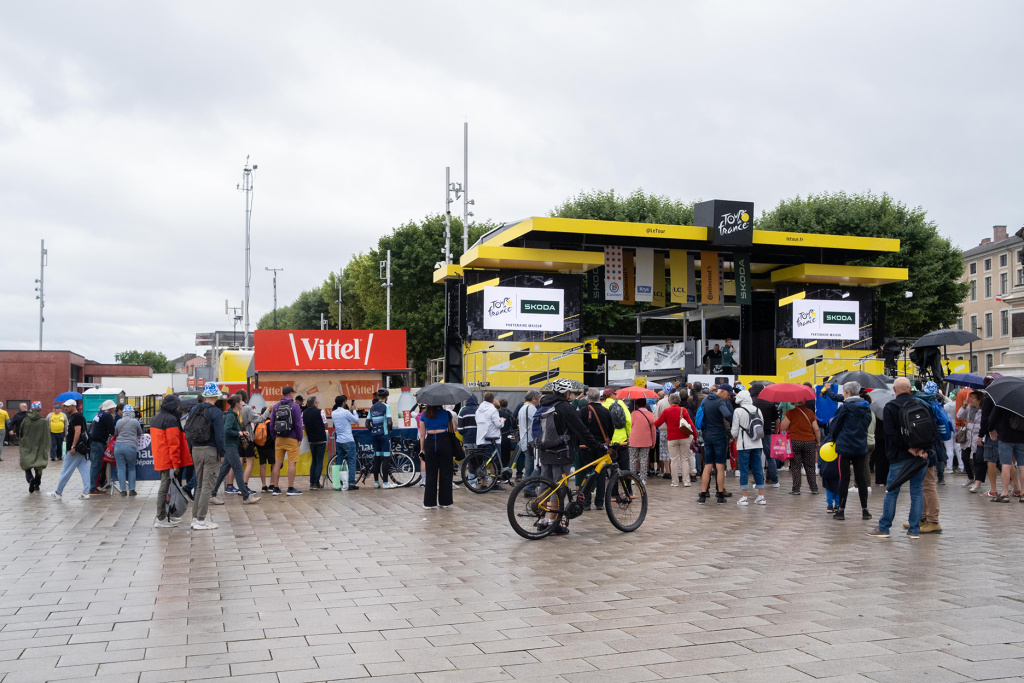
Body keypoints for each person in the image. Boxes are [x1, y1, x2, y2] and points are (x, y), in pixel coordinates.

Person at [536, 379, 607, 535]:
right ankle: (553, 523)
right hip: (561, 452)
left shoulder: (544, 404)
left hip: (545, 451)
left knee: (545, 484)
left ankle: (541, 521)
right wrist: (596, 445)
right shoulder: (565, 407)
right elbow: (581, 429)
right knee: (558, 487)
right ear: (566, 393)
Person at [869, 377, 929, 539]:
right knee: (916, 492)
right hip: (921, 456)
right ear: (910, 389)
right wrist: (922, 449)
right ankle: (914, 530)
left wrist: (909, 449)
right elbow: (930, 430)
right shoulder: (920, 405)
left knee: (892, 491)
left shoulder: (890, 407)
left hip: (899, 456)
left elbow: (890, 433)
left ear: (894, 390)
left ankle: (884, 528)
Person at [828, 381, 873, 521]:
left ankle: (841, 511)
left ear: (848, 393)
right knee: (861, 479)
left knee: (844, 478)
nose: (842, 394)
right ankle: (865, 511)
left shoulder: (845, 408)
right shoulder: (866, 407)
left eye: (843, 392)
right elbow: (866, 425)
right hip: (860, 446)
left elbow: (835, 426)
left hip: (845, 447)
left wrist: (833, 438)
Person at [187, 382, 228, 530]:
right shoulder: (216, 412)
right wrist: (222, 453)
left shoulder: (194, 409)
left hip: (196, 450)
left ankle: (194, 518)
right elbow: (219, 436)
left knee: (199, 485)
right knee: (207, 486)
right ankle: (201, 520)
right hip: (210, 451)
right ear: (217, 395)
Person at [151, 394, 192, 528]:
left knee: (166, 487)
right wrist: (176, 464)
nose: (179, 407)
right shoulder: (171, 420)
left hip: (160, 457)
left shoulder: (157, 417)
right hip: (168, 459)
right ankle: (161, 517)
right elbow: (173, 444)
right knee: (165, 488)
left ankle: (166, 515)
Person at [210, 395, 260, 505]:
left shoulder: (231, 414)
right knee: (238, 470)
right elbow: (226, 430)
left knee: (223, 471)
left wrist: (240, 433)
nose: (242, 403)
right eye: (241, 401)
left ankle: (212, 494)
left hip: (229, 446)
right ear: (237, 404)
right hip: (230, 447)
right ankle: (246, 497)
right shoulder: (231, 416)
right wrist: (239, 433)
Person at [47, 399, 92, 500]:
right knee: (85, 471)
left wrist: (73, 447)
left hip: (75, 450)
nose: (65, 408)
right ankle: (86, 492)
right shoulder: (79, 416)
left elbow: (77, 432)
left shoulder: (76, 417)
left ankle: (58, 493)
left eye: (67, 406)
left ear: (73, 406)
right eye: (65, 406)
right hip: (82, 449)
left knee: (65, 471)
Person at [699, 383, 735, 505]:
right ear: (723, 392)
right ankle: (720, 495)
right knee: (720, 466)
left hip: (707, 435)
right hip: (719, 436)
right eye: (729, 395)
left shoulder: (706, 400)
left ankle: (703, 495)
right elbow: (728, 415)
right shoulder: (720, 402)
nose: (729, 398)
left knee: (707, 465)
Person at [578, 388, 613, 508]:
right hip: (601, 447)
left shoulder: (583, 411)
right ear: (599, 398)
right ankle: (599, 502)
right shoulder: (606, 411)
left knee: (587, 474)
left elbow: (579, 429)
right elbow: (611, 430)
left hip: (585, 447)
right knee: (601, 475)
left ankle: (586, 502)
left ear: (588, 398)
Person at [730, 390, 766, 506]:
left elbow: (734, 430)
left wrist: (733, 436)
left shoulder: (738, 411)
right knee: (758, 469)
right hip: (757, 443)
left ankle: (744, 497)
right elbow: (762, 425)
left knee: (744, 470)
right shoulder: (757, 410)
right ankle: (761, 496)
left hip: (744, 444)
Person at [654, 392, 695, 488]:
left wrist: (653, 421)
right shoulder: (683, 410)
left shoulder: (666, 411)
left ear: (669, 401)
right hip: (684, 437)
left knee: (674, 460)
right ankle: (686, 481)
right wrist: (695, 436)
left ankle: (675, 481)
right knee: (684, 459)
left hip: (672, 438)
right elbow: (691, 424)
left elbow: (657, 424)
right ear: (679, 401)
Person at [419, 404, 456, 509]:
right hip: (444, 442)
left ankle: (429, 503)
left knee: (431, 472)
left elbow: (422, 435)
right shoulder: (447, 414)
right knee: (446, 472)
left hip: (430, 442)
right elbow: (452, 429)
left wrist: (422, 449)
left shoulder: (424, 415)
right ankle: (445, 502)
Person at [781, 397, 820, 495]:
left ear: (794, 401)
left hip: (795, 442)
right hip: (809, 441)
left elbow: (783, 427)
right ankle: (814, 488)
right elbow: (816, 429)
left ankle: (796, 489)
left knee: (795, 466)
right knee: (810, 466)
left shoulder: (790, 412)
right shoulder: (810, 412)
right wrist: (818, 442)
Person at [270, 386, 305, 496]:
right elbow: (298, 424)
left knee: (277, 463)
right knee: (291, 463)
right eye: (292, 393)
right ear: (290, 394)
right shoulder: (295, 407)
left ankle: (275, 488)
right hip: (292, 438)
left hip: (279, 438)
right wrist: (299, 438)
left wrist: (275, 437)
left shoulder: (276, 406)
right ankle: (290, 488)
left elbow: (272, 424)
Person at [750, 385, 781, 488]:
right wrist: (776, 432)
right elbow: (777, 420)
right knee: (770, 457)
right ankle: (775, 481)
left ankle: (759, 481)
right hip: (767, 432)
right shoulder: (770, 403)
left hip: (754, 433)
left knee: (757, 457)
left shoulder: (751, 403)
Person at [87, 400, 118, 494]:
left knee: (93, 466)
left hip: (93, 441)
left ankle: (91, 486)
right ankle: (92, 488)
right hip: (98, 442)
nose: (115, 410)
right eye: (114, 408)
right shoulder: (107, 414)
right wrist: (113, 420)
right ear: (110, 408)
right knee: (96, 466)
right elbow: (112, 430)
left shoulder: (100, 413)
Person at [367, 388, 395, 489]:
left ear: (378, 397)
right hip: (384, 434)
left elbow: (367, 423)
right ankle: (386, 483)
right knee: (386, 458)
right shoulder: (387, 406)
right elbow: (389, 421)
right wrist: (390, 429)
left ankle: (376, 482)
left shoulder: (372, 407)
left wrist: (373, 430)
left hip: (375, 435)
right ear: (386, 397)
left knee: (377, 458)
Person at [331, 395, 360, 490]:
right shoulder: (346, 412)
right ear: (343, 402)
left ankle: (337, 482)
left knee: (339, 461)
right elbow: (356, 420)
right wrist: (354, 410)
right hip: (348, 439)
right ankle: (351, 483)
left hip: (339, 440)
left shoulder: (333, 413)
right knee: (351, 461)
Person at [113, 405, 143, 497]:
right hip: (130, 446)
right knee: (131, 468)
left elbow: (116, 433)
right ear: (132, 413)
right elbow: (140, 433)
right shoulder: (135, 422)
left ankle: (122, 491)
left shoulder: (119, 421)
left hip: (118, 446)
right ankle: (132, 489)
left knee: (121, 468)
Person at [19, 401, 49, 493]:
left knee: (26, 465)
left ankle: (30, 479)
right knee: (38, 464)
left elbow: (21, 432)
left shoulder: (26, 420)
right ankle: (37, 484)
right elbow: (47, 435)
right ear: (40, 409)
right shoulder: (44, 421)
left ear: (31, 409)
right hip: (39, 445)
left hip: (27, 445)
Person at [233, 390, 259, 493]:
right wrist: (268, 411)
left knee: (240, 461)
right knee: (250, 462)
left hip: (237, 437)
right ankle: (244, 486)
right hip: (247, 438)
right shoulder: (247, 408)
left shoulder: (235, 409)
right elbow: (258, 419)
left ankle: (238, 485)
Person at [602, 388, 632, 474]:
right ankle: (627, 485)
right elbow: (628, 420)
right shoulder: (620, 403)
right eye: (615, 394)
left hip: (609, 442)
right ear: (612, 395)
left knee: (612, 467)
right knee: (625, 466)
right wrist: (628, 434)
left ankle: (613, 486)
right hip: (622, 440)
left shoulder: (602, 406)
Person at [960, 391, 985, 492]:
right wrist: (963, 407)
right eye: (971, 398)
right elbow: (959, 416)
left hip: (977, 436)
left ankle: (977, 480)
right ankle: (970, 477)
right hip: (968, 436)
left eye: (974, 398)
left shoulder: (983, 410)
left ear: (979, 399)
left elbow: (983, 423)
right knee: (964, 457)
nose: (971, 400)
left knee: (977, 459)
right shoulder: (969, 407)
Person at [302, 396, 328, 490]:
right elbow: (326, 424)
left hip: (311, 439)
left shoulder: (303, 413)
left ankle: (312, 482)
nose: (318, 404)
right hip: (321, 438)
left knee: (314, 461)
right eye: (317, 402)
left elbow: (303, 426)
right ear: (314, 403)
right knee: (319, 461)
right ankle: (316, 483)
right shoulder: (320, 411)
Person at [516, 391, 540, 480]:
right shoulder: (530, 408)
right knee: (536, 467)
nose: (538, 401)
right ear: (533, 399)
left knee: (529, 468)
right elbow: (538, 421)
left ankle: (527, 486)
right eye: (538, 399)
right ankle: (529, 487)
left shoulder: (523, 408)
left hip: (525, 440)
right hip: (530, 441)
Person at [255, 404, 277, 492]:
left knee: (262, 465)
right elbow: (273, 436)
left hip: (260, 447)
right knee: (274, 465)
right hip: (270, 447)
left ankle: (263, 486)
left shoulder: (258, 423)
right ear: (268, 413)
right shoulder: (271, 423)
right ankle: (272, 484)